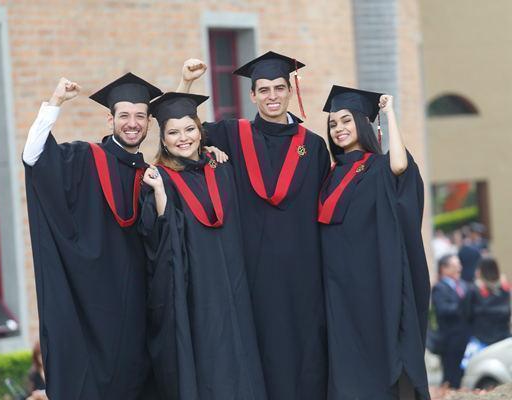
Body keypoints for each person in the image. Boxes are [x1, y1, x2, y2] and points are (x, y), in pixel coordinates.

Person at [177, 52, 330, 399]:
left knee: (306, 357)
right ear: (252, 96)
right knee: (260, 354)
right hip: (252, 273)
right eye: (264, 90)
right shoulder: (231, 134)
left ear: (290, 91)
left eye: (278, 88)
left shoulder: (314, 146)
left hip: (303, 277)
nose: (272, 96)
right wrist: (186, 82)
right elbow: (180, 131)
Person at [23, 74, 162, 399]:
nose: (132, 123)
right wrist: (55, 102)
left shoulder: (150, 175)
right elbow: (34, 157)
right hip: (94, 308)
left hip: (139, 314)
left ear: (149, 122)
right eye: (124, 115)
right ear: (110, 118)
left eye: (140, 115)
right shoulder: (84, 159)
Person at [139, 92, 266, 399]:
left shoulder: (221, 167)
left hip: (234, 286)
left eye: (189, 129)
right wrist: (159, 197)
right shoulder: (161, 179)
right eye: (173, 132)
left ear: (200, 130)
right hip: (196, 295)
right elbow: (155, 241)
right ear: (163, 140)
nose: (183, 138)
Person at [319, 85, 431, 399]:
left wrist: (390, 113)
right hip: (339, 290)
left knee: (378, 359)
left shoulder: (378, 168)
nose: (339, 129)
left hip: (374, 286)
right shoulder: (329, 175)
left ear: (363, 123)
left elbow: (400, 165)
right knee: (346, 364)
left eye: (346, 121)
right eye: (333, 124)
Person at [432, 254, 471, 389]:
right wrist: (463, 306)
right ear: (444, 268)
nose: (459, 268)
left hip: (465, 337)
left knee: (462, 375)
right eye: (455, 266)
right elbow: (443, 309)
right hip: (450, 340)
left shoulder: (464, 285)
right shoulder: (440, 288)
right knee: (450, 376)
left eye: (459, 265)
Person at [468, 257, 510, 346]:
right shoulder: (505, 288)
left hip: (482, 339)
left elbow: (467, 313)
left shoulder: (474, 290)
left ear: (480, 271)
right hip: (503, 338)